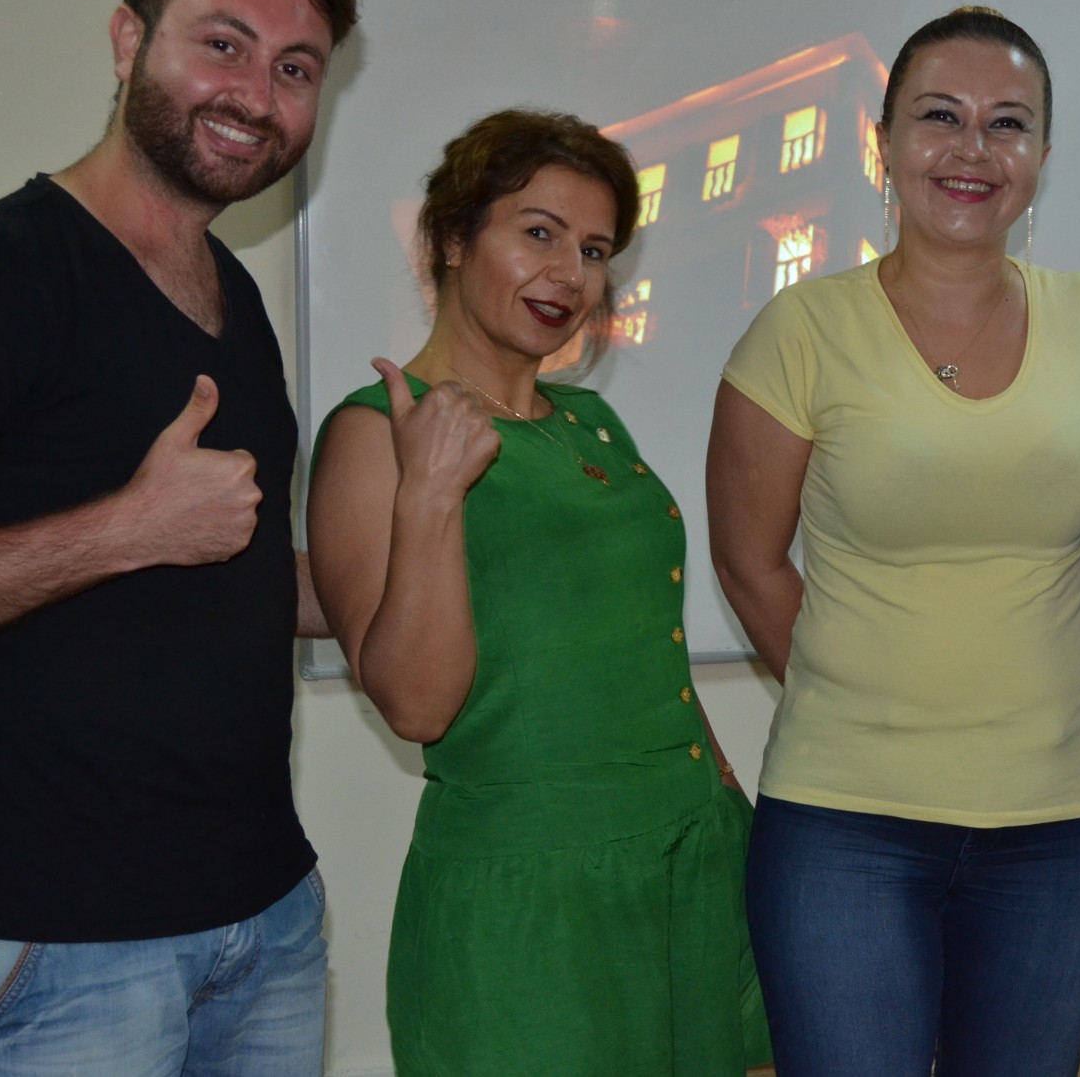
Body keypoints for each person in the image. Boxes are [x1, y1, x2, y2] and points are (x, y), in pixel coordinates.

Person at [0, 0, 357, 1073]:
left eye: (294, 68)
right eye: (221, 44)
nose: (255, 95)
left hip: (262, 919)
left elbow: (221, 568)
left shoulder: (233, 292)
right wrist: (122, 529)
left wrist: (412, 563)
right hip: (59, 946)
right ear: (129, 40)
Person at [709, 7, 1080, 1075]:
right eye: (939, 116)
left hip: (1065, 824)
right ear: (885, 143)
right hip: (845, 821)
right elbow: (748, 561)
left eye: (1008, 123)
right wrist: (864, 685)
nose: (972, 149)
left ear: (1041, 154)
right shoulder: (800, 331)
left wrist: (1022, 678)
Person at [307, 109, 769, 1075]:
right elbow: (416, 706)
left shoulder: (591, 420)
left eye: (594, 250)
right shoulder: (374, 432)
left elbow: (641, 639)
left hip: (688, 862)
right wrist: (432, 492)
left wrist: (726, 796)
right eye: (539, 232)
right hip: (530, 898)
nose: (570, 273)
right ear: (451, 238)